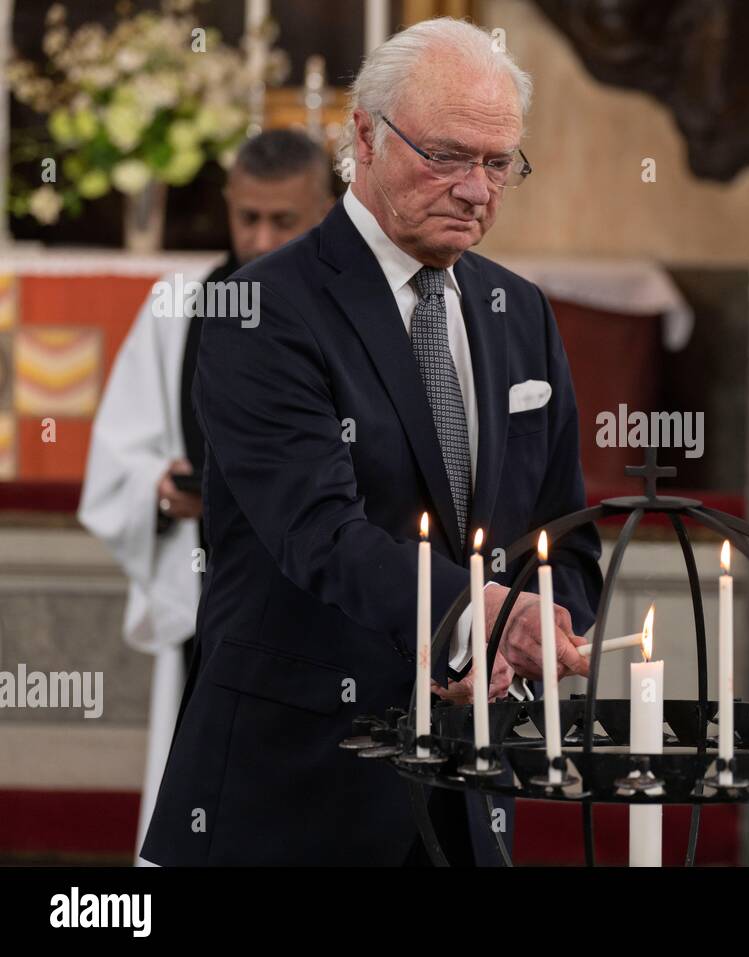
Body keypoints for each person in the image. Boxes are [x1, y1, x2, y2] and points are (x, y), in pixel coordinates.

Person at [140, 18, 602, 866]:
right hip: (296, 788)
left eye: (498, 163)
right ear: (363, 133)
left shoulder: (521, 311)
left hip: (465, 790)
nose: (475, 189)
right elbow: (319, 534)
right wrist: (474, 618)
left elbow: (561, 531)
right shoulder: (259, 310)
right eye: (447, 156)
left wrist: (540, 632)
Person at [78, 129, 335, 864]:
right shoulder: (179, 307)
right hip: (217, 603)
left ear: (327, 208)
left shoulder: (359, 313)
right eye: (246, 217)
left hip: (334, 605)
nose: (260, 238)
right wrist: (161, 491)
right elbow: (117, 458)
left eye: (283, 220)